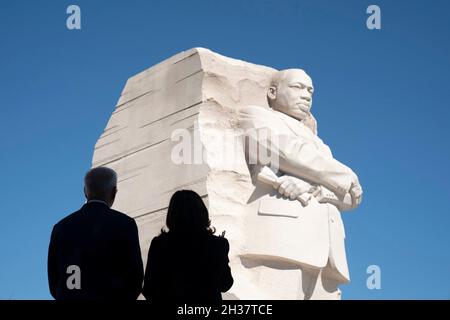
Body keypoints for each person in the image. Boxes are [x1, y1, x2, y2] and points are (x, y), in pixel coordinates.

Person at [237, 69, 363, 299]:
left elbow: (352, 197)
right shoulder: (256, 116)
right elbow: (284, 150)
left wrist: (315, 187)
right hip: (282, 239)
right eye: (298, 87)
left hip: (328, 253)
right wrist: (344, 175)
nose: (306, 95)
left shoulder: (320, 145)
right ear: (273, 92)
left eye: (310, 90)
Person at [47, 167, 144, 300]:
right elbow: (136, 278)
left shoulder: (60, 228)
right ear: (114, 193)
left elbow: (54, 282)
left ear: (85, 192)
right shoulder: (125, 224)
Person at [143, 190, 233, 302]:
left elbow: (149, 289)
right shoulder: (218, 245)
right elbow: (225, 284)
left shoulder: (159, 244)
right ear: (202, 213)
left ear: (172, 214)